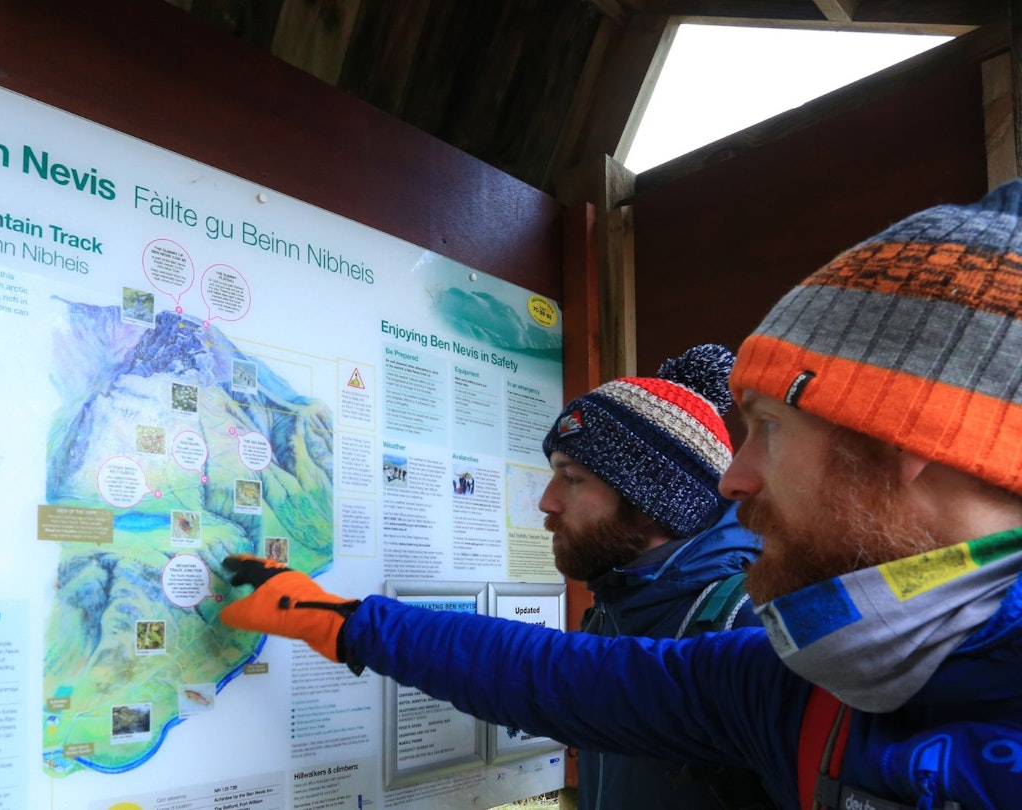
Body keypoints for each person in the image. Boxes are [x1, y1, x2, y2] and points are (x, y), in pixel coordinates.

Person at [218, 180, 1022, 809]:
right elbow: (559, 677)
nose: (735, 478)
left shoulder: (785, 651)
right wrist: (341, 623)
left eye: (769, 427)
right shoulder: (809, 683)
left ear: (912, 440)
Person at [539, 343, 770, 809]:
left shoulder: (751, 624)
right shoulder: (611, 611)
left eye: (572, 477)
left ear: (653, 498)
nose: (547, 501)